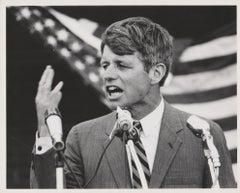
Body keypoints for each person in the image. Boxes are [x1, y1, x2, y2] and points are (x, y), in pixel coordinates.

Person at [30, 17, 236, 188]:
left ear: (156, 73)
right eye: (105, 65)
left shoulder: (202, 134)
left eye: (121, 65)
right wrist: (45, 127)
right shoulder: (82, 137)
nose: (107, 75)